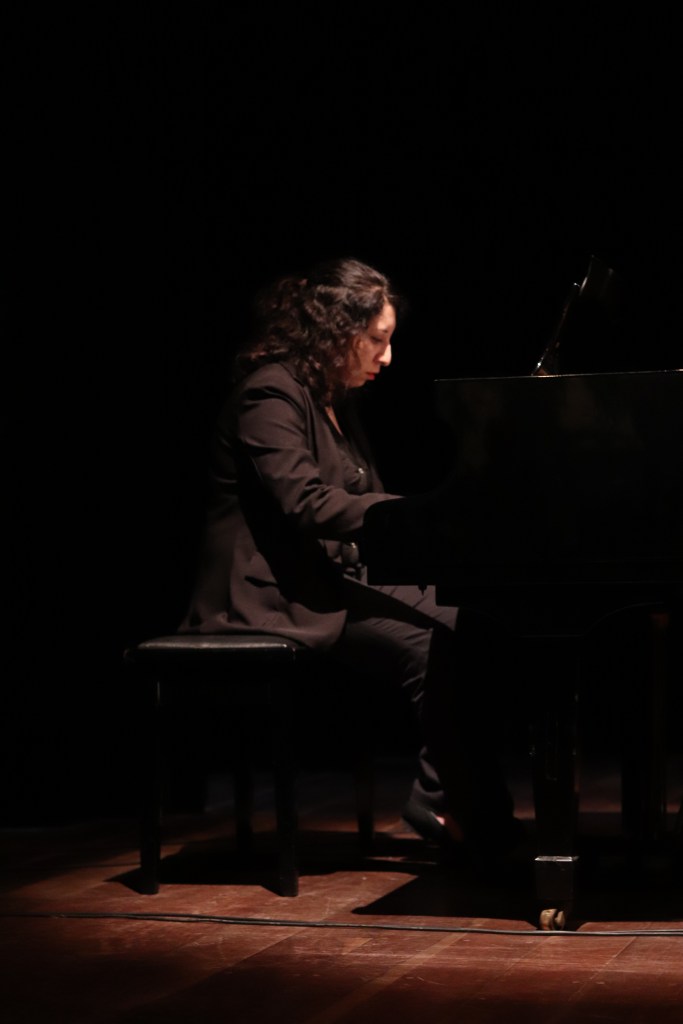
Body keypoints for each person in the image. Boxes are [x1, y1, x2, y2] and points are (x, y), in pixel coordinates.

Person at [179, 256, 520, 856]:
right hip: (274, 595)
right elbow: (305, 502)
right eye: (377, 340)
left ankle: (443, 800)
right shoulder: (269, 394)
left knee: (476, 622)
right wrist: (417, 513)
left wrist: (433, 526)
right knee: (432, 646)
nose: (387, 357)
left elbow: (363, 499)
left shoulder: (332, 399)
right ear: (338, 332)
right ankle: (474, 820)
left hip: (330, 580)